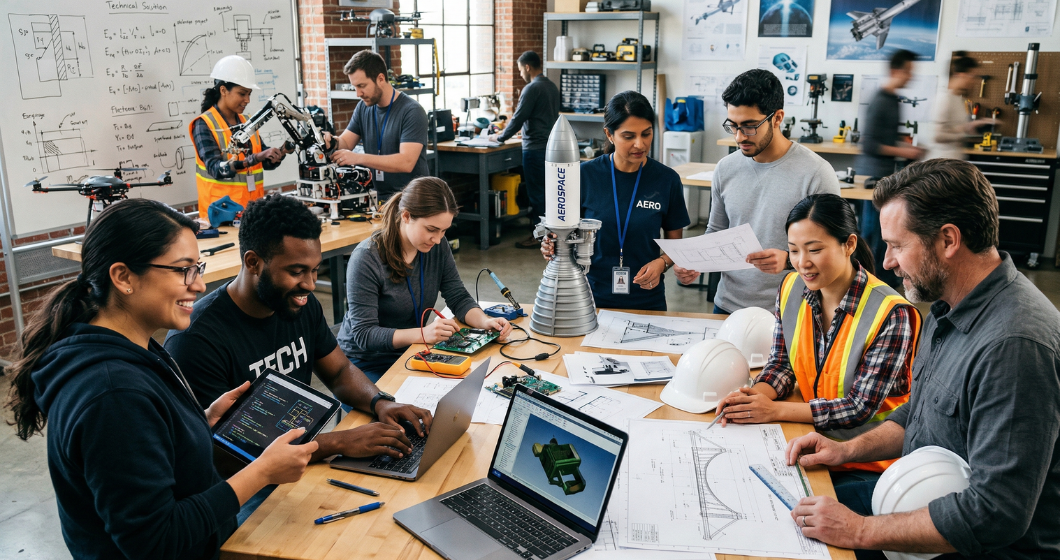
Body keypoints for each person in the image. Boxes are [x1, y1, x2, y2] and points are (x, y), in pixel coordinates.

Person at [6, 199, 315, 559]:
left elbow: (146, 449)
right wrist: (261, 473)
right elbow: (154, 542)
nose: (199, 285)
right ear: (124, 277)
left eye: (197, 268)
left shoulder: (135, 347)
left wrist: (199, 425)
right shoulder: (113, 394)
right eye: (183, 270)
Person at [785, 159, 1060, 558]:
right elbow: (921, 413)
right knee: (794, 513)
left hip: (979, 546)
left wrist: (859, 531)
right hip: (922, 494)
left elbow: (996, 513)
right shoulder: (947, 307)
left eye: (897, 245)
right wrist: (845, 450)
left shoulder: (1014, 346)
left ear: (948, 240)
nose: (887, 261)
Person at [164, 194, 432, 466]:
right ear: (253, 262)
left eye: (314, 270)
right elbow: (223, 450)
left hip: (299, 458)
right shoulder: (195, 340)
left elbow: (339, 371)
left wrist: (380, 403)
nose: (310, 284)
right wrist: (337, 442)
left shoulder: (298, 304)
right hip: (247, 480)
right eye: (296, 272)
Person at [717, 194, 920, 494]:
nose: (802, 263)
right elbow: (782, 364)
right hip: (811, 442)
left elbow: (859, 407)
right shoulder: (790, 288)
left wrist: (773, 411)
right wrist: (752, 400)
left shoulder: (891, 313)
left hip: (868, 465)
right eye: (793, 250)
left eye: (814, 250)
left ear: (849, 244)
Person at [685, 69, 840, 313]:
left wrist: (788, 260)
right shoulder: (725, 168)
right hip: (728, 305)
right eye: (733, 126)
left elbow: (834, 249)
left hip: (791, 311)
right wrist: (696, 262)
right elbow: (716, 231)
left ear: (777, 118)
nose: (739, 137)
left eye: (749, 126)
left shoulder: (816, 173)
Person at [338, 177, 513, 381]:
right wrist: (423, 334)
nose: (437, 239)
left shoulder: (437, 246)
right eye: (431, 230)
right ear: (406, 216)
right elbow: (364, 335)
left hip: (410, 351)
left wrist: (485, 321)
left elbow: (458, 297)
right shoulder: (367, 258)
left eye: (444, 231)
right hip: (363, 362)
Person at [540, 91, 692, 311]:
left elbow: (676, 245)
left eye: (646, 133)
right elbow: (561, 234)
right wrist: (551, 244)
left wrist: (662, 263)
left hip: (647, 298)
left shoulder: (667, 180)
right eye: (628, 136)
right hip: (587, 296)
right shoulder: (583, 176)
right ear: (609, 134)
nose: (640, 144)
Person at [190, 55, 292, 218]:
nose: (247, 100)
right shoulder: (204, 124)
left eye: (249, 94)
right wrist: (256, 158)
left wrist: (281, 151)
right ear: (223, 90)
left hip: (251, 213)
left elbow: (264, 162)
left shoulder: (247, 121)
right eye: (242, 94)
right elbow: (216, 169)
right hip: (220, 217)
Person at [856, 49, 924, 287]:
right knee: (872, 233)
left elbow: (888, 138)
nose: (911, 76)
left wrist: (906, 147)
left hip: (886, 176)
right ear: (895, 70)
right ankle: (865, 282)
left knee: (884, 233)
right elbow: (869, 144)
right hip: (872, 176)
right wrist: (904, 151)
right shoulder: (880, 100)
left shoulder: (894, 100)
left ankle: (882, 282)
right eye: (908, 71)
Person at [326, 50, 430, 202]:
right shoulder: (363, 107)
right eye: (355, 87)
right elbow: (346, 142)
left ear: (380, 78)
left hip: (411, 201)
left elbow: (406, 162)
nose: (358, 94)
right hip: (378, 199)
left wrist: (358, 158)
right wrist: (331, 141)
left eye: (362, 86)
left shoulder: (412, 111)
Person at [487, 51, 560, 249]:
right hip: (550, 148)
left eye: (520, 70)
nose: (520, 74)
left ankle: (539, 238)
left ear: (527, 67)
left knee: (537, 195)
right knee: (548, 194)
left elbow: (518, 118)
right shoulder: (551, 86)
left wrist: (499, 137)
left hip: (534, 149)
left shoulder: (532, 88)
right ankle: (551, 236)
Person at [926, 51, 997, 161]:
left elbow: (953, 128)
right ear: (961, 75)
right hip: (941, 163)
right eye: (972, 76)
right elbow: (937, 136)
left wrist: (972, 125)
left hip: (954, 161)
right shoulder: (944, 98)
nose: (975, 81)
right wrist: (965, 135)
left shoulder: (959, 100)